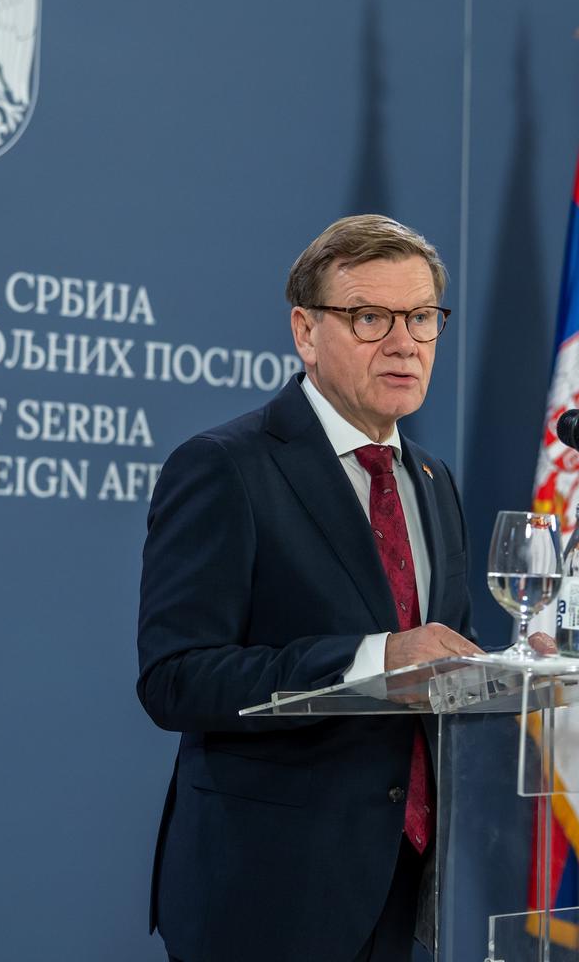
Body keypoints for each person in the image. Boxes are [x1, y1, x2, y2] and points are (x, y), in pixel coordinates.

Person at [137, 214, 485, 962]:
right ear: (305, 330)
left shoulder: (432, 480)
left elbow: (432, 659)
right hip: (267, 891)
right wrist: (374, 659)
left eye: (422, 317)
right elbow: (176, 679)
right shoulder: (225, 466)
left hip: (403, 882)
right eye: (370, 318)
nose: (404, 342)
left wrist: (510, 671)